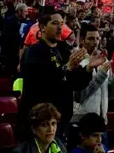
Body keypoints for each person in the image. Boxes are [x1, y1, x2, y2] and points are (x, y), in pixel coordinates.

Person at [19, 8, 102, 139]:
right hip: (39, 125)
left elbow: (74, 84)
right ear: (43, 27)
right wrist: (67, 67)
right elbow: (44, 83)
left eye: (62, 23)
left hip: (60, 122)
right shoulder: (33, 53)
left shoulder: (63, 51)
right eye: (55, 23)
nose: (60, 27)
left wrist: (88, 69)